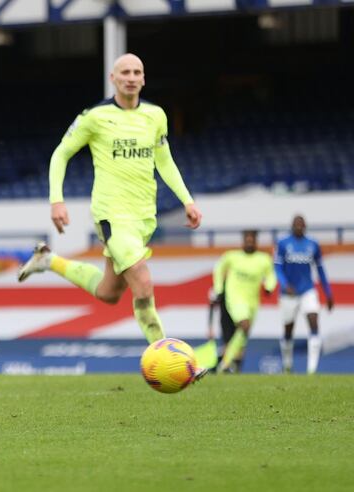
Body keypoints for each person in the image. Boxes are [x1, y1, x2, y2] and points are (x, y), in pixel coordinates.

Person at [17, 53, 204, 375]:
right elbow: (61, 154)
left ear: (144, 78)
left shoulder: (156, 115)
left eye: (137, 72)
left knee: (109, 292)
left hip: (144, 215)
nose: (131, 77)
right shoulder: (95, 116)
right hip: (111, 215)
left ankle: (49, 260)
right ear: (113, 78)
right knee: (142, 283)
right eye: (125, 72)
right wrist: (56, 200)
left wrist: (187, 200)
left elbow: (165, 161)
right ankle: (172, 359)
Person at [275, 215, 333, 374]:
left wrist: (328, 292)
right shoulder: (283, 243)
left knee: (314, 321)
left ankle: (311, 370)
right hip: (288, 293)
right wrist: (285, 285)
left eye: (301, 224)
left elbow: (320, 270)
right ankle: (287, 366)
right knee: (288, 329)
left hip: (308, 290)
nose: (299, 226)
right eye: (296, 224)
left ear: (305, 226)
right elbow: (277, 268)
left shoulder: (313, 244)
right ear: (292, 226)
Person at [212, 230, 277, 373]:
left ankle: (229, 364)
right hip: (234, 299)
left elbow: (271, 275)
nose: (249, 242)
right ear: (243, 241)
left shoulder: (264, 259)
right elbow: (218, 269)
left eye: (252, 240)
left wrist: (269, 287)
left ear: (255, 241)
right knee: (244, 325)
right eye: (247, 240)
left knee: (242, 336)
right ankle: (225, 363)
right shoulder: (232, 256)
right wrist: (218, 289)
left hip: (252, 302)